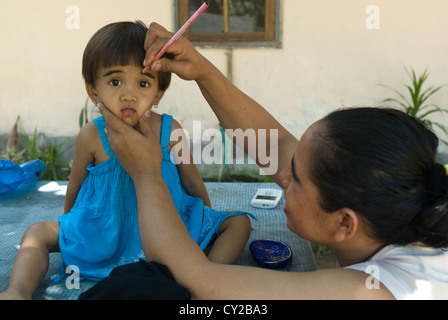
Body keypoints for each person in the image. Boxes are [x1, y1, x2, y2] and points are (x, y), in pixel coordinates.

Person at [97, 22, 448, 300]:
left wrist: (146, 173)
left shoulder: (379, 290)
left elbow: (203, 283)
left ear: (344, 223)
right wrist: (202, 70)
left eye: (295, 179)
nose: (281, 178)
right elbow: (273, 142)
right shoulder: (393, 214)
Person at [0, 21, 251, 300]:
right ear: (93, 90)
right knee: (37, 232)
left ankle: (206, 279)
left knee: (239, 222)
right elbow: (75, 188)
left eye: (143, 83)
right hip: (104, 230)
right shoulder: (91, 135)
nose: (129, 94)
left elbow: (192, 183)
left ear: (158, 94)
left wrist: (204, 223)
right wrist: (73, 230)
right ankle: (17, 292)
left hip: (164, 231)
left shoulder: (170, 131)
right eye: (115, 81)